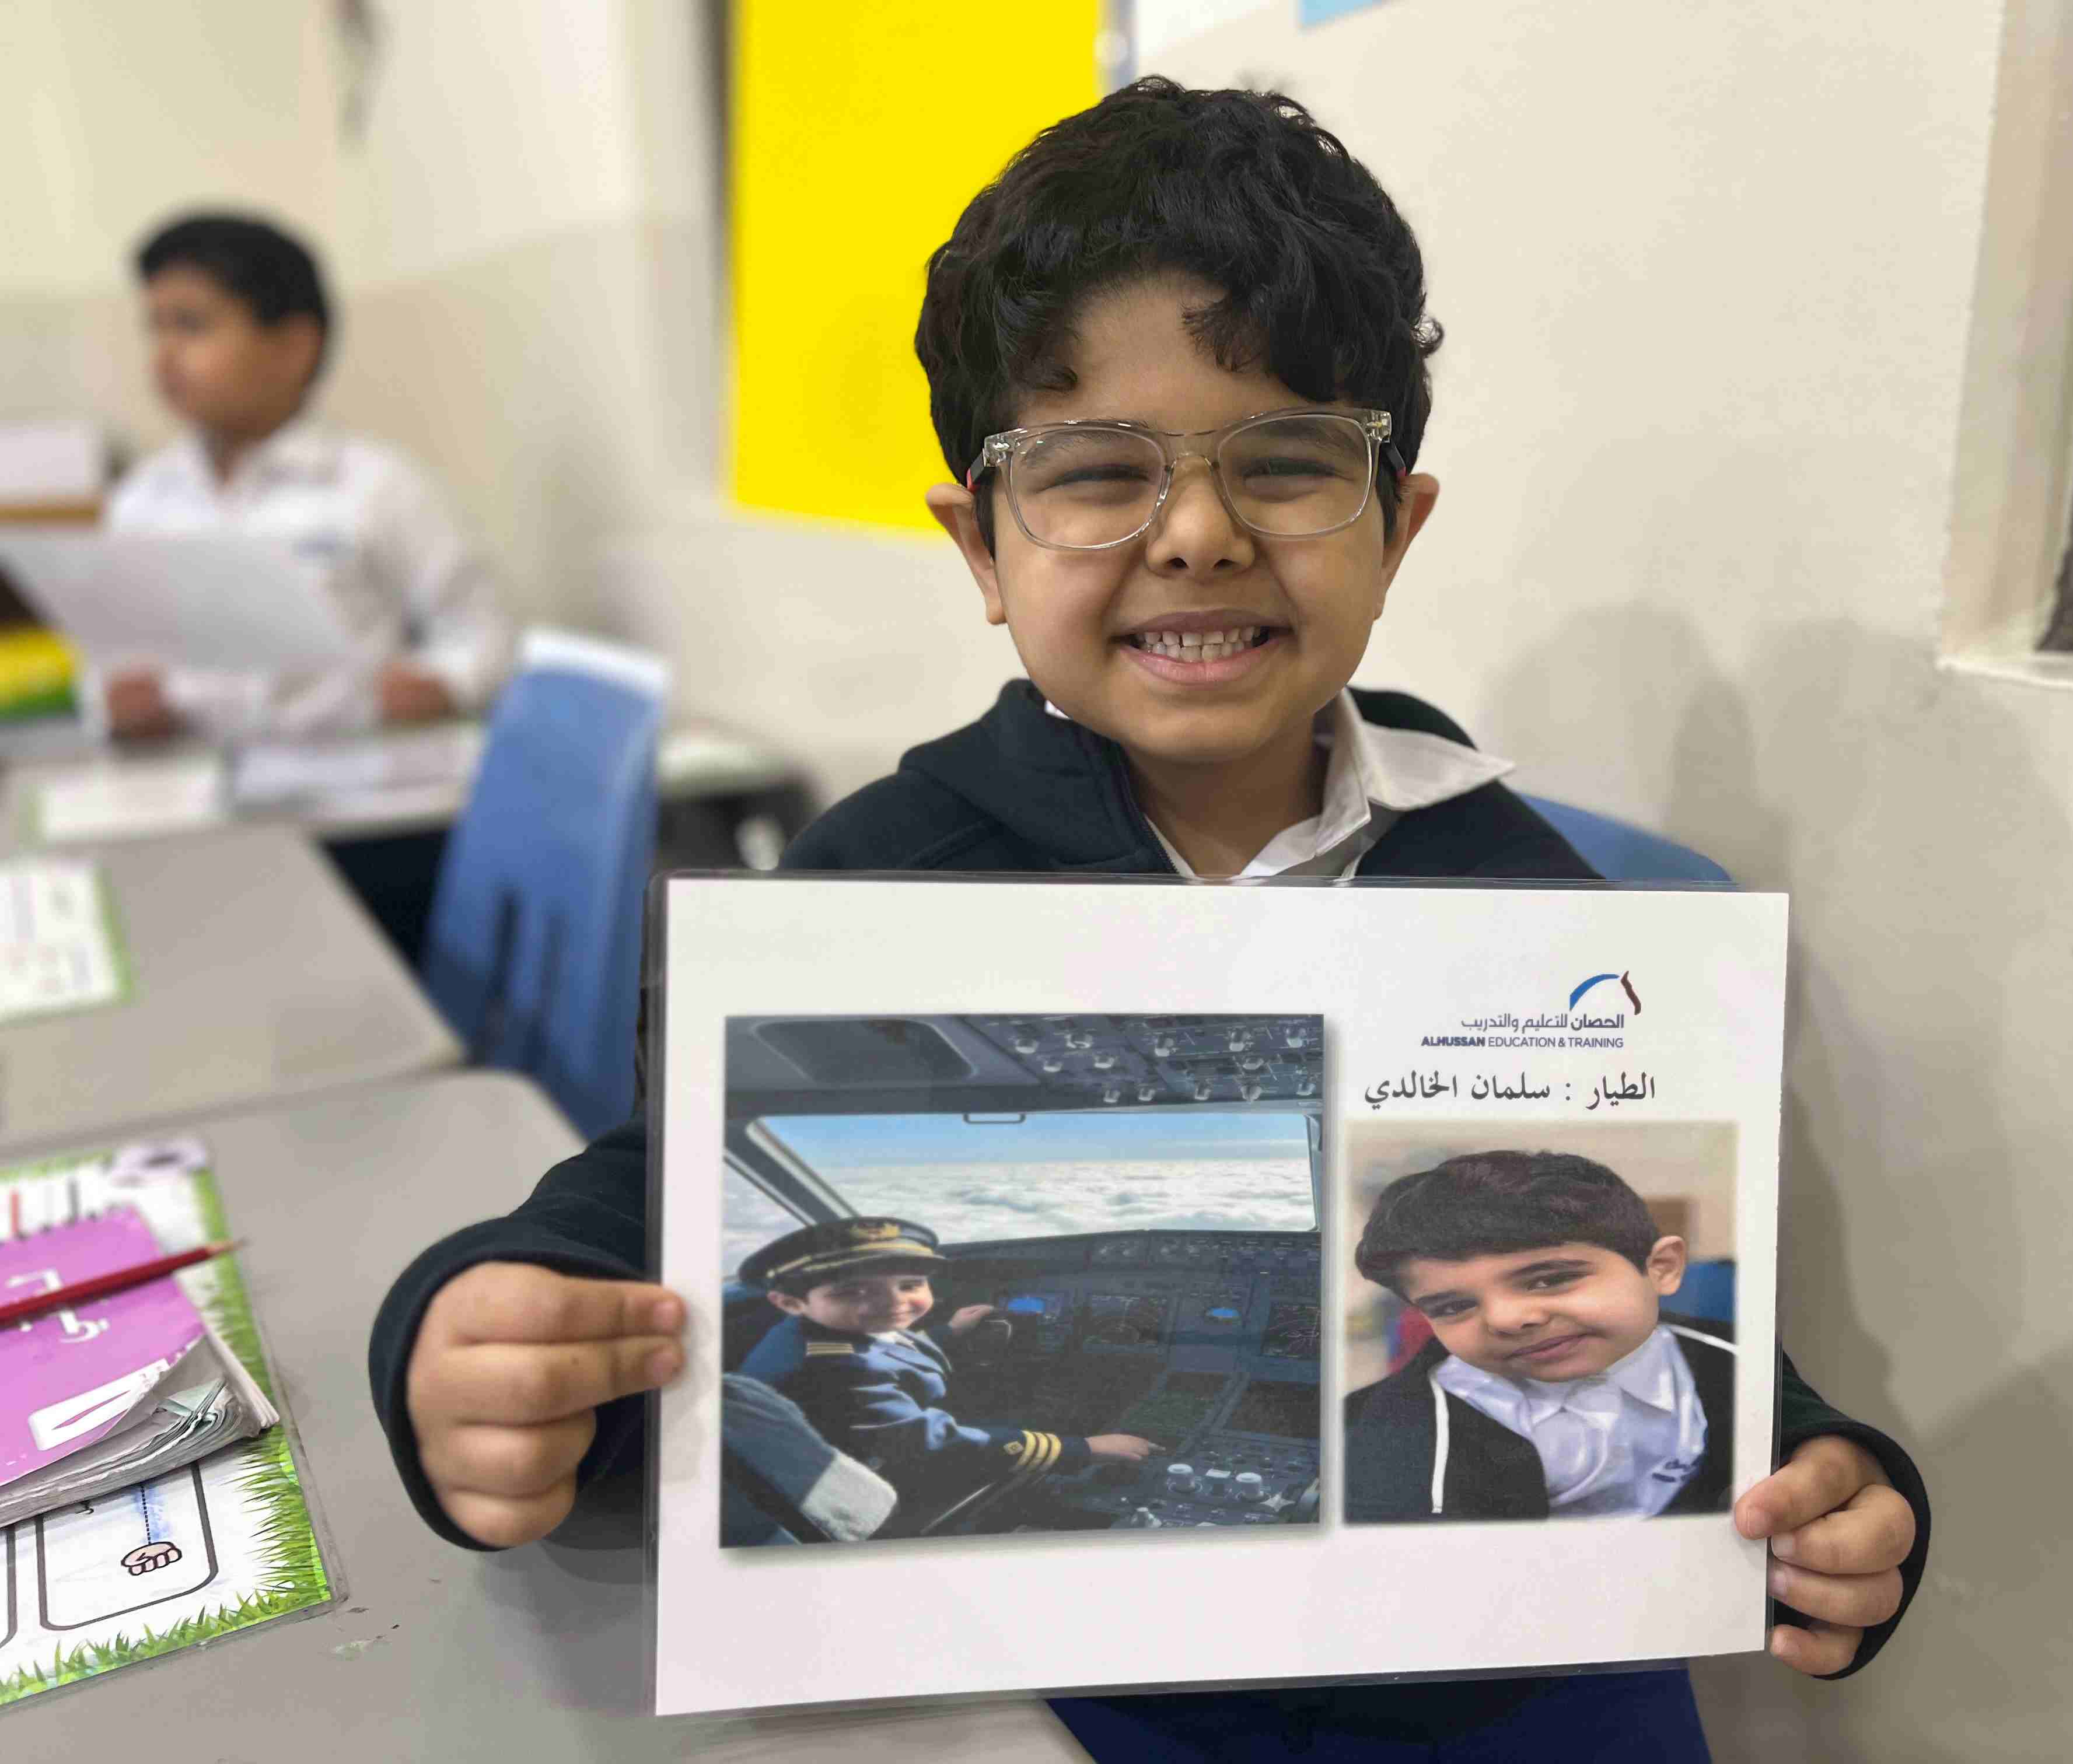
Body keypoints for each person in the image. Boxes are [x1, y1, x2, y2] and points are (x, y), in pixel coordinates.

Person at [371, 79, 1928, 1760]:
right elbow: (644, 1214)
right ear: (983, 547)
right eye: (1099, 471)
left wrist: (1827, 1481)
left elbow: (1690, 1352)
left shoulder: (1528, 895)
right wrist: (479, 1330)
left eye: (1288, 463)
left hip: (1508, 1689)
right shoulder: (872, 877)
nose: (1196, 535)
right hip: (1081, 1697)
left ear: (1395, 527)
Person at [102, 212, 510, 742]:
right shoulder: (141, 501)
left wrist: (442, 684)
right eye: (155, 327)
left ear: (294, 347)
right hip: (186, 776)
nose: (165, 355)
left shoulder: (376, 486)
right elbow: (107, 665)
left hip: (353, 774)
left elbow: (483, 634)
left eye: (192, 325)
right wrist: (117, 706)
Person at [1345, 1150, 1740, 1524]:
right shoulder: (1377, 1443)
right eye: (1454, 1307)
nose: (1506, 1320)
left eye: (1548, 1280)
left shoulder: (1744, 1358)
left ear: (1661, 1269)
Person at [732, 1215, 1153, 1534]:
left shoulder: (821, 1330)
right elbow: (935, 1444)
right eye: (853, 1291)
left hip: (860, 1443)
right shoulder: (834, 1369)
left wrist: (948, 1332)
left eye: (910, 1284)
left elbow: (882, 1348)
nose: (894, 1305)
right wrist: (1082, 1448)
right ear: (789, 1302)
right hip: (880, 1481)